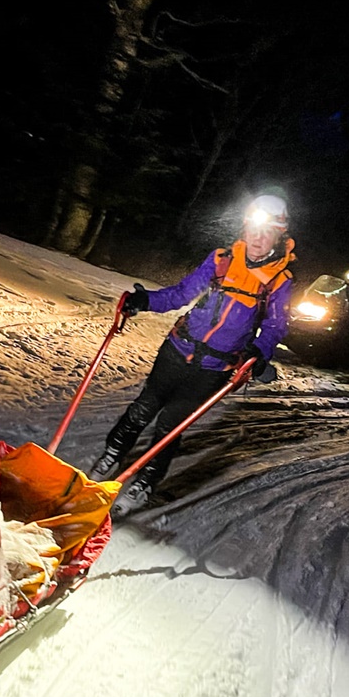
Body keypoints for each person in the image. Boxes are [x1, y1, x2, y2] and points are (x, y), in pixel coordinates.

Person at [91, 193, 297, 513]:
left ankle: (146, 481)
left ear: (279, 235)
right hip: (177, 348)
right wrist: (145, 301)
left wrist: (259, 351)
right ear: (245, 226)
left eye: (267, 231)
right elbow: (182, 293)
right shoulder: (221, 259)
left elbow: (275, 325)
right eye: (255, 228)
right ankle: (112, 454)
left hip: (213, 368)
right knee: (142, 408)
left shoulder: (279, 281)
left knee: (170, 426)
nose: (258, 237)